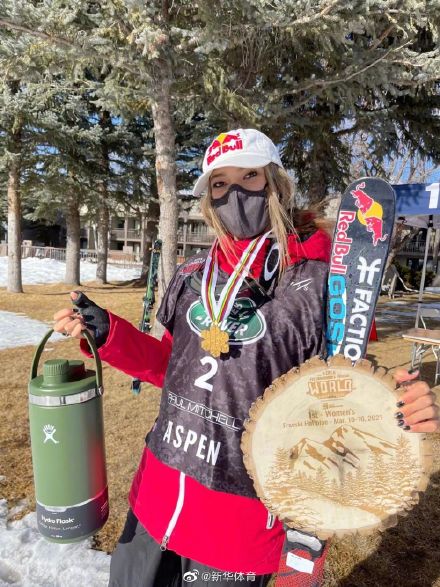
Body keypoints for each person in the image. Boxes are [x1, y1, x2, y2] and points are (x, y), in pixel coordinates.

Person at [54, 129, 439, 587]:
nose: (234, 193)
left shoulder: (320, 284)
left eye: (250, 177)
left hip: (239, 519)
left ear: (276, 184)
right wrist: (110, 334)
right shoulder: (194, 276)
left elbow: (342, 398)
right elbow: (174, 370)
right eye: (220, 184)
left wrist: (396, 407)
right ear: (207, 200)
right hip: (157, 497)